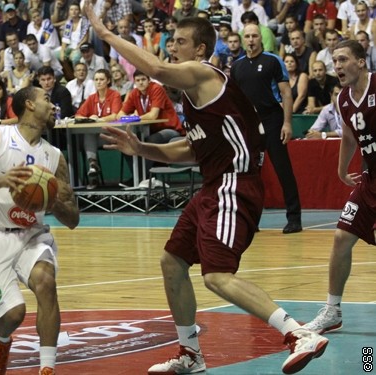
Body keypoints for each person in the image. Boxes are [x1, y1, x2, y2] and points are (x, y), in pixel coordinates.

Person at [85, 7, 328, 375]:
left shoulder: (204, 74)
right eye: (172, 42)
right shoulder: (195, 97)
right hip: (213, 188)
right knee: (172, 262)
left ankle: (298, 333)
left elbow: (157, 71)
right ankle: (191, 354)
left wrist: (106, 34)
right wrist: (142, 149)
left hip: (234, 184)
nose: (173, 48)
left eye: (180, 42)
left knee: (217, 276)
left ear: (200, 50)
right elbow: (190, 148)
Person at [0, 85, 79, 375]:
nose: (53, 105)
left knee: (46, 283)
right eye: (47, 99)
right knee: (13, 314)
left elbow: (73, 219)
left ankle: (47, 368)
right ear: (29, 106)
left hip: (32, 234)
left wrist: (51, 200)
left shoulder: (55, 157)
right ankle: (1, 341)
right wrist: (1, 180)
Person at [303, 40, 376, 335]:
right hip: (370, 178)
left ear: (361, 62)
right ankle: (332, 310)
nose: (338, 66)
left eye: (344, 59)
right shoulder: (343, 99)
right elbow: (348, 133)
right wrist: (341, 168)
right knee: (341, 237)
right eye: (335, 60)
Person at [232, 24, 303, 234]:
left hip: (272, 120)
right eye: (248, 36)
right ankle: (250, 220)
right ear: (243, 39)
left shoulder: (273, 61)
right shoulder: (237, 66)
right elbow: (235, 100)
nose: (251, 39)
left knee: (283, 170)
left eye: (254, 36)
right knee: (250, 174)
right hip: (249, 125)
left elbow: (286, 93)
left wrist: (287, 123)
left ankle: (294, 219)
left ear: (260, 39)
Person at [74, 68, 122, 189]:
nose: (98, 82)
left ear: (108, 81)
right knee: (88, 134)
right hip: (98, 137)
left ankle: (93, 169)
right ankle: (93, 166)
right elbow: (78, 115)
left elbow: (115, 115)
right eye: (96, 80)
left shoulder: (114, 95)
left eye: (102, 79)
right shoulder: (91, 98)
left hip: (112, 136)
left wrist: (98, 119)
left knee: (90, 136)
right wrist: (88, 118)